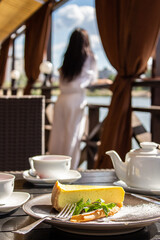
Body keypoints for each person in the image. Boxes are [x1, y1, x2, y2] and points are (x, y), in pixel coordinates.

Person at [48, 28, 97, 169]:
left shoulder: (67, 58)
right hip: (76, 100)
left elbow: (61, 81)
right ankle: (68, 169)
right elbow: (90, 79)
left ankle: (53, 167)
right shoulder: (90, 57)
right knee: (72, 136)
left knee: (58, 134)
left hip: (61, 99)